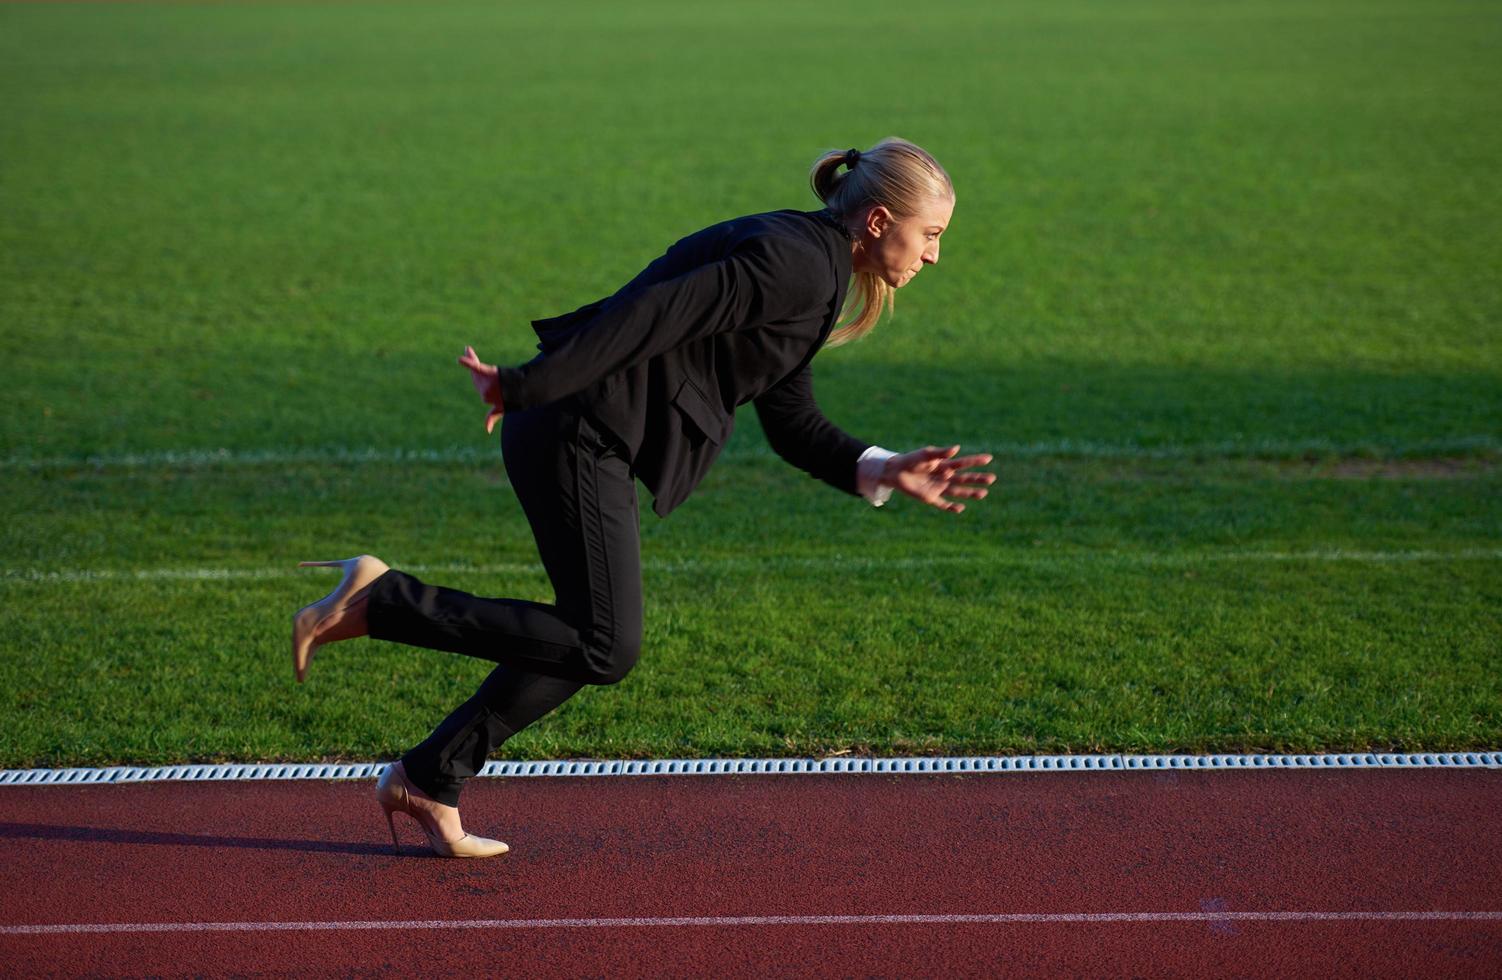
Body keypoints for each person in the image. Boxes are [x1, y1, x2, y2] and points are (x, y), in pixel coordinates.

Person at [290, 137, 996, 859]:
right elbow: (658, 310)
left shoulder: (811, 266)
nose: (934, 255)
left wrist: (880, 466)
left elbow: (790, 418)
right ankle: (378, 605)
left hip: (582, 431)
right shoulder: (797, 265)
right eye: (931, 235)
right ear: (880, 221)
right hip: (573, 427)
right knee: (605, 642)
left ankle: (429, 776)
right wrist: (527, 383)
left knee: (588, 638)